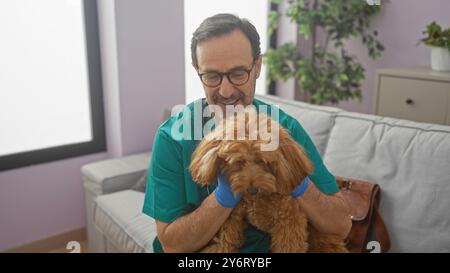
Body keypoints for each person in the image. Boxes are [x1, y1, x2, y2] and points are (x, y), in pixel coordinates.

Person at [142, 13, 351, 253]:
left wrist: (296, 180)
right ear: (197, 71)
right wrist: (222, 199)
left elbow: (341, 226)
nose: (226, 90)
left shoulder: (285, 129)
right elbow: (172, 244)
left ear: (258, 66)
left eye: (238, 73)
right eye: (212, 76)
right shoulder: (173, 137)